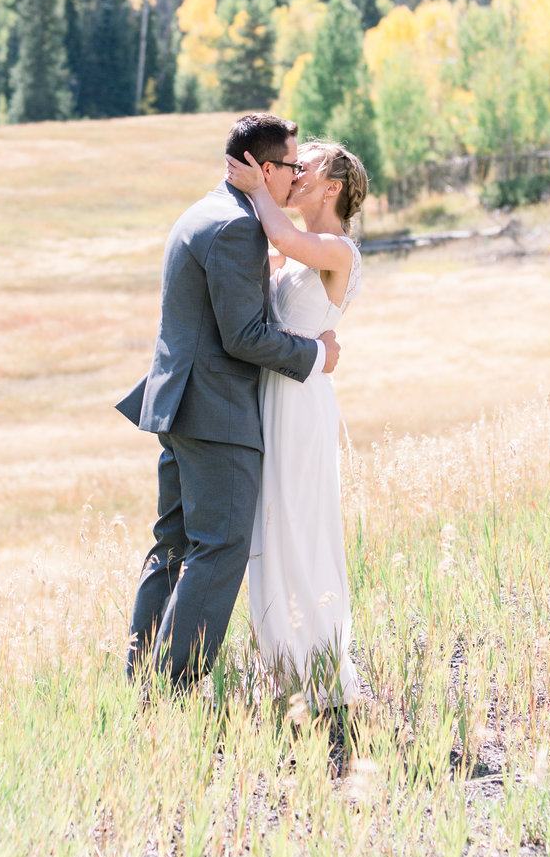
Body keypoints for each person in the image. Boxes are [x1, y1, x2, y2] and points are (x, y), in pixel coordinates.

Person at [117, 112, 341, 692]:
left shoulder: (204, 212)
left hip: (180, 406)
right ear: (265, 170)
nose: (296, 177)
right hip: (218, 413)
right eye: (291, 167)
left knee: (172, 544)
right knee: (220, 547)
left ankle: (139, 680)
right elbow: (244, 336)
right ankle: (174, 691)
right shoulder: (237, 228)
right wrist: (315, 355)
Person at [225, 138, 366, 752]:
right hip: (271, 400)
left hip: (302, 406)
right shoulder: (296, 257)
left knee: (303, 530)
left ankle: (326, 674)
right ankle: (284, 674)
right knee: (270, 532)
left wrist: (256, 184)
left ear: (330, 186)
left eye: (303, 166)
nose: (293, 171)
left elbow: (280, 238)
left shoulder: (336, 250)